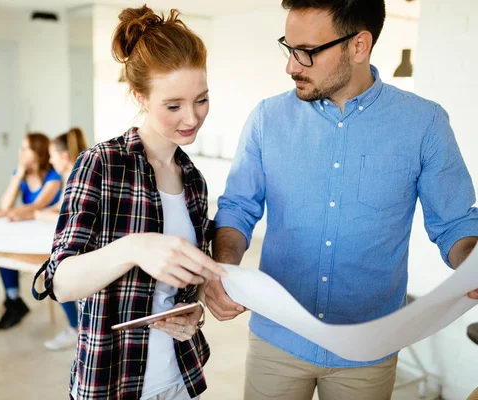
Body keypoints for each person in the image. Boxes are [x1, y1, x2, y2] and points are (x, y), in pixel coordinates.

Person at [205, 1, 478, 399]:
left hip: (368, 351)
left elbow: (455, 224)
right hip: (278, 339)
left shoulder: (424, 124)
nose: (291, 66)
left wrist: (473, 267)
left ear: (359, 46)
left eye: (308, 52)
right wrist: (222, 268)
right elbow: (237, 208)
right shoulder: (267, 119)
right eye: (289, 47)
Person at [31, 5, 226, 400]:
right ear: (140, 96)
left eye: (201, 99)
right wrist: (134, 247)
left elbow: (185, 285)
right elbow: (61, 282)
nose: (191, 117)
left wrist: (192, 311)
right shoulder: (100, 164)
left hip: (179, 376)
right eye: (173, 106)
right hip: (111, 382)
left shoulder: (194, 181)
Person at [0, 133, 62, 330]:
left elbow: (38, 205)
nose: (20, 152)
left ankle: (13, 303)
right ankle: (13, 299)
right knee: (3, 249)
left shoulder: (53, 175)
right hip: (29, 227)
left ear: (38, 152)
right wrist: (18, 175)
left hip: (49, 230)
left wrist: (6, 212)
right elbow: (5, 204)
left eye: (26, 148)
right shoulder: (20, 174)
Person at [35, 127, 89, 350]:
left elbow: (70, 215)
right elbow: (61, 208)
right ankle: (75, 326)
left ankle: (75, 328)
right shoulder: (70, 175)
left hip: (83, 248)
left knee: (53, 275)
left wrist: (44, 214)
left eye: (52, 155)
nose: (49, 159)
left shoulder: (77, 176)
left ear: (64, 157)